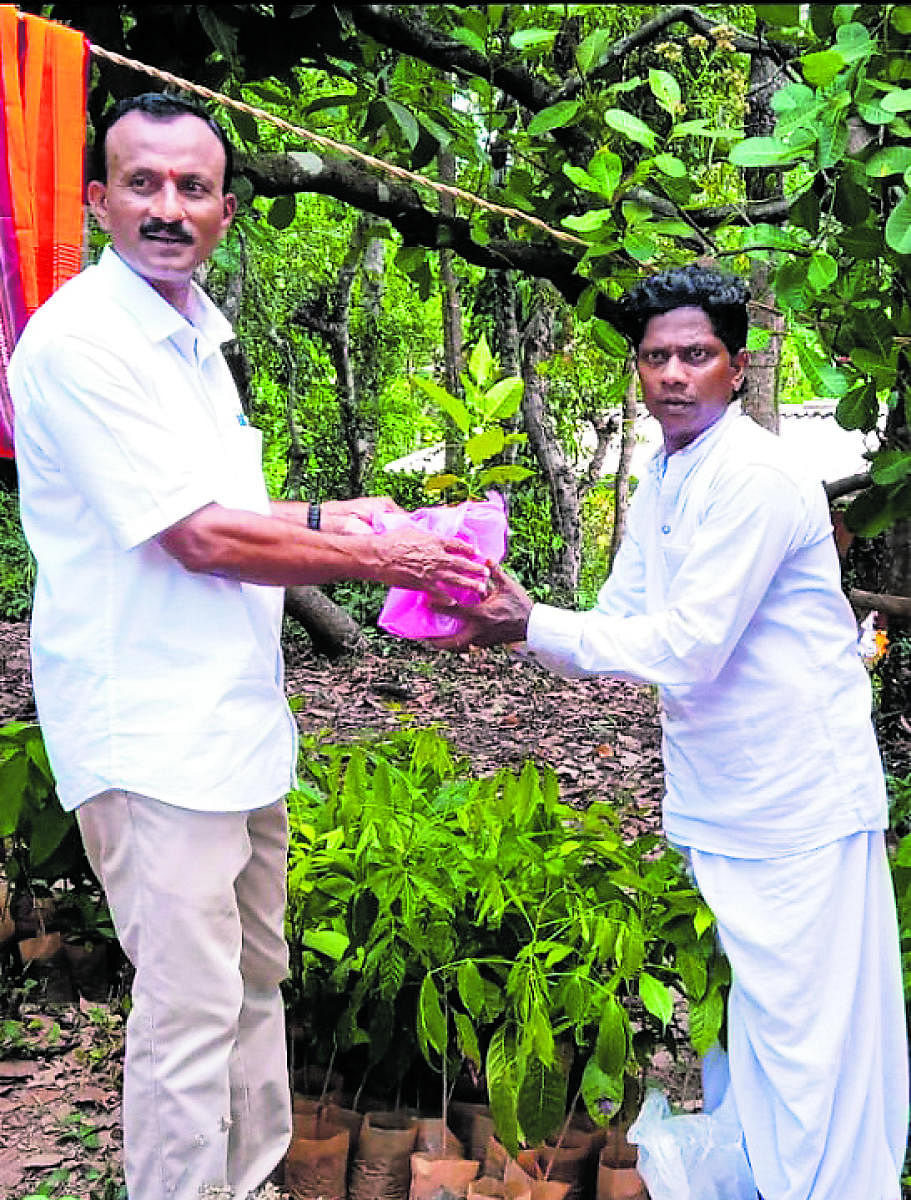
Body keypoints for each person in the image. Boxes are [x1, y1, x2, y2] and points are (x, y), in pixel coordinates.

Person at [8, 92, 489, 1200]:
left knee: (254, 984)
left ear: (226, 210)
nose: (167, 208)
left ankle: (256, 1180)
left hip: (234, 722)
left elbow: (238, 507)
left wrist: (349, 514)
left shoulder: (196, 336)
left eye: (192, 188)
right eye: (143, 183)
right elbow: (199, 537)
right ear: (97, 200)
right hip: (149, 732)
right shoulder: (83, 341)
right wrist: (390, 563)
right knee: (188, 1011)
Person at [436, 266, 908, 1200]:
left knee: (811, 1041)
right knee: (767, 1030)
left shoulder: (758, 477)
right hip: (724, 794)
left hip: (797, 797)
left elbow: (686, 648)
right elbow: (623, 616)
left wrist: (532, 625)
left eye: (696, 355)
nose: (674, 375)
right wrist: (517, 615)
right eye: (656, 358)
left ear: (734, 368)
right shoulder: (664, 474)